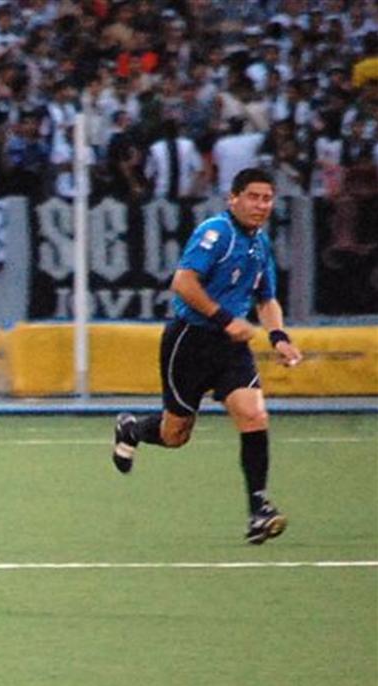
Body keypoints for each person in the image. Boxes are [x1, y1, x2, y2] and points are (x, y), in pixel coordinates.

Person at [112, 168, 303, 544]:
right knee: (175, 435)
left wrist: (279, 337)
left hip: (231, 348)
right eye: (253, 197)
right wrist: (225, 319)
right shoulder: (216, 233)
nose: (261, 205)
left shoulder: (260, 243)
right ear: (233, 198)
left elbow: (266, 299)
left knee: (254, 415)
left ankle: (258, 510)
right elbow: (183, 282)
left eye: (267, 198)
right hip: (190, 342)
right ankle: (132, 429)